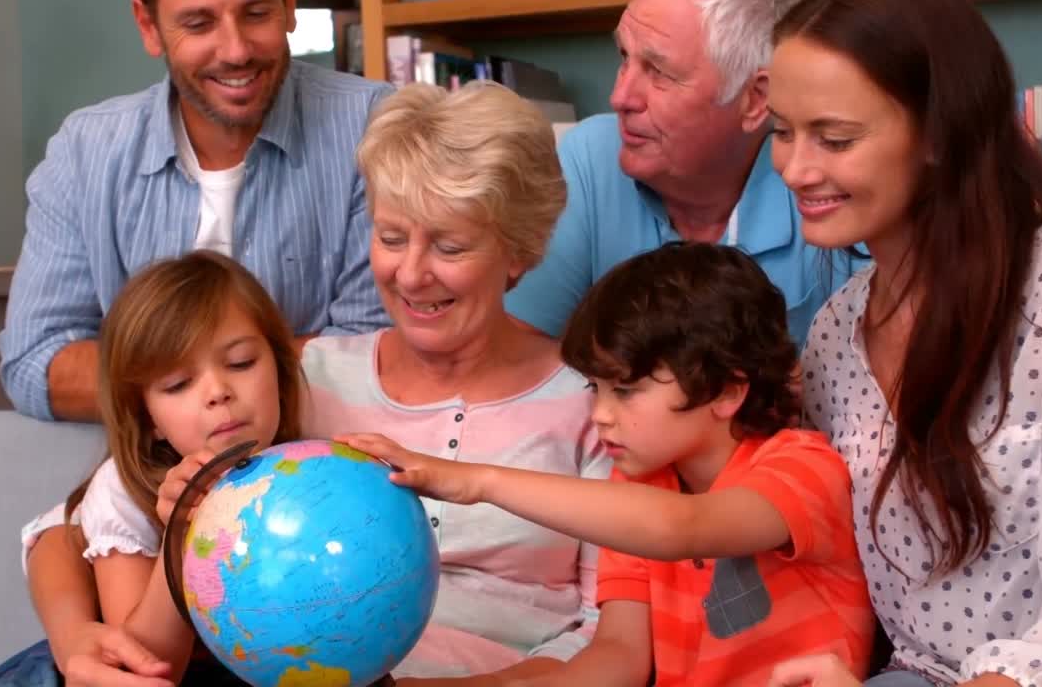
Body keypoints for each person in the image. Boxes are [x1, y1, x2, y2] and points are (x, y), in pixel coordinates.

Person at [11, 81, 609, 686]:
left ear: (519, 251)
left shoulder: (596, 406)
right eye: (391, 238)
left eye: (450, 246)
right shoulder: (300, 379)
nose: (410, 274)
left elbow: (609, 638)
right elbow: (74, 524)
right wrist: (73, 635)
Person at [344, 241, 876, 687]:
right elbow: (618, 658)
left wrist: (477, 481)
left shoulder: (802, 467)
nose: (599, 414)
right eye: (594, 388)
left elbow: (681, 527)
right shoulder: (639, 489)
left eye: (624, 390)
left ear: (726, 392)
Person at [757, 0, 1042, 686]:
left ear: (939, 134)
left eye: (834, 138)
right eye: (781, 132)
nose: (795, 169)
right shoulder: (837, 330)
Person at [0, 0, 391, 424]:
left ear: (289, 3)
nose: (236, 51)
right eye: (200, 24)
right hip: (148, 468)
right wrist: (213, 385)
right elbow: (36, 361)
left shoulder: (375, 127)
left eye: (256, 13)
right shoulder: (84, 153)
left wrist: (162, 383)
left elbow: (377, 353)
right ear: (149, 26)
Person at [0, 250, 305, 687]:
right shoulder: (121, 492)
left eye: (241, 362)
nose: (218, 391)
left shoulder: (309, 463)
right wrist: (180, 535)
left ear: (280, 371)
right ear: (149, 419)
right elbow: (149, 665)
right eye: (178, 384)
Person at [504, 0, 864, 347]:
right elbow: (516, 354)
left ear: (757, 98)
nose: (620, 97)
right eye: (624, 57)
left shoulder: (824, 187)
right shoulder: (590, 158)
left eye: (659, 72)